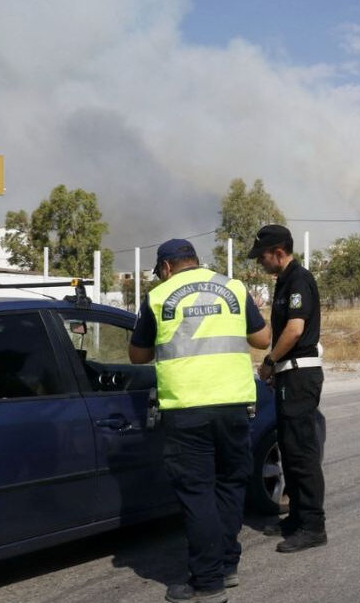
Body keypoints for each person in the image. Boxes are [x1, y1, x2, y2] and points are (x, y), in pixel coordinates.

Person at [129, 239, 270, 603]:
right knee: (229, 484)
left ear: (165, 267)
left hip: (187, 406)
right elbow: (262, 338)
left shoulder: (159, 296)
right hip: (234, 403)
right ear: (196, 261)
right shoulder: (233, 287)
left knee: (197, 492)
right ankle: (227, 565)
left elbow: (137, 355)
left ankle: (207, 583)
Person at [247, 224, 327, 553]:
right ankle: (295, 518)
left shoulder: (299, 279)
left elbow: (295, 330)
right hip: (287, 376)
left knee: (302, 454)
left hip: (300, 376)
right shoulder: (284, 281)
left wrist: (269, 361)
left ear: (279, 252)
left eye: (262, 256)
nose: (260, 263)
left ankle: (313, 525)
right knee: (289, 451)